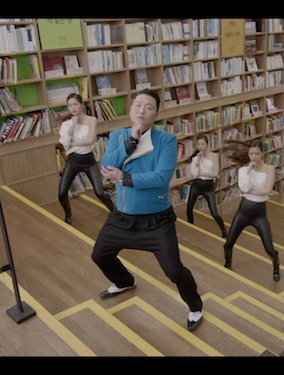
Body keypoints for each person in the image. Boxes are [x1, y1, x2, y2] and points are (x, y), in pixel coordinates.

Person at [93, 88, 204, 331]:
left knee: (174, 270)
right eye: (137, 105)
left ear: (156, 115)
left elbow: (161, 177)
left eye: (149, 107)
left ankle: (195, 306)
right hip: (122, 216)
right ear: (131, 110)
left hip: (157, 220)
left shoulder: (166, 140)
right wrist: (131, 141)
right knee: (99, 255)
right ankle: (124, 281)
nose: (142, 110)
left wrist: (124, 177)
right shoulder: (118, 135)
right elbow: (106, 164)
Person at [222, 139, 281, 282]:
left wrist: (248, 191)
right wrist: (248, 172)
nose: (253, 157)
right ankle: (228, 261)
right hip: (243, 211)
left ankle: (276, 266)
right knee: (228, 243)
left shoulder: (269, 169)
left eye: (257, 154)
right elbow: (244, 188)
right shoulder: (243, 170)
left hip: (259, 214)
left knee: (269, 248)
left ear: (262, 154)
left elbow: (267, 190)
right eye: (251, 154)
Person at [57, 93, 116, 224]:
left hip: (89, 161)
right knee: (61, 193)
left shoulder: (92, 120)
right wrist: (73, 125)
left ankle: (116, 213)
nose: (73, 108)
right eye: (70, 105)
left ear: (81, 105)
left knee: (100, 192)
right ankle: (68, 213)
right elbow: (64, 143)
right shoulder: (66, 124)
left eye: (75, 104)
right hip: (73, 161)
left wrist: (72, 143)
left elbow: (91, 140)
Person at [187, 135, 228, 238]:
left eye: (203, 144)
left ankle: (224, 230)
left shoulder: (214, 156)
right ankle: (191, 227)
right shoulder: (195, 158)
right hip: (196, 186)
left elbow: (215, 173)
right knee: (189, 209)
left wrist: (202, 172)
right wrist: (199, 160)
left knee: (214, 213)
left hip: (208, 188)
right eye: (199, 144)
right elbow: (195, 174)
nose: (200, 146)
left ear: (207, 145)